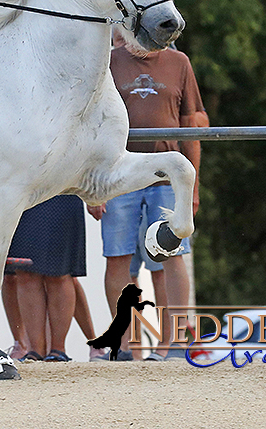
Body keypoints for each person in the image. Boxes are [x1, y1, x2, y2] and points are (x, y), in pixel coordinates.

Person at [87, 28, 205, 360]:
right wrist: (93, 187)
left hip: (167, 178)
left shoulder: (179, 62)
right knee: (118, 257)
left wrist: (192, 187)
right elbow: (93, 124)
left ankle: (174, 343)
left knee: (172, 254)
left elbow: (190, 124)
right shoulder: (107, 62)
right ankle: (126, 346)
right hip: (119, 175)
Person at [5, 195, 86, 362]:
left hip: (63, 187)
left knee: (59, 272)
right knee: (25, 272)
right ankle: (35, 351)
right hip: (22, 189)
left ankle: (58, 349)